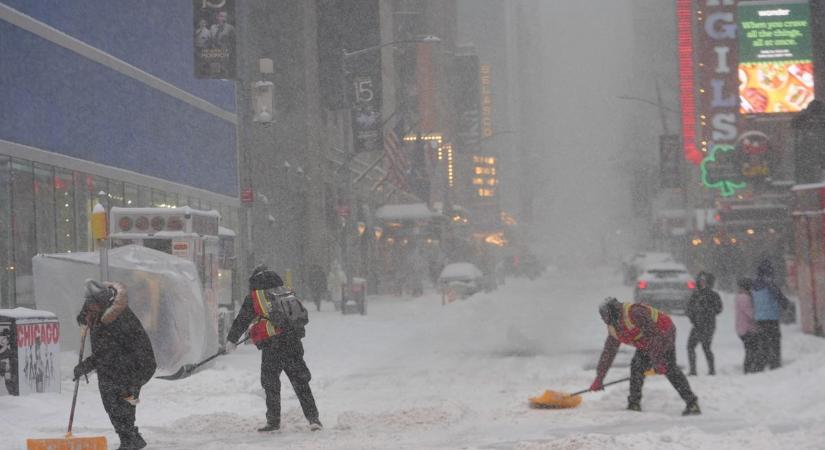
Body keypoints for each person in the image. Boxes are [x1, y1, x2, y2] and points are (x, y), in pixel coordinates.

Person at [224, 265, 321, 432]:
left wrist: (232, 339)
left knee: (271, 384)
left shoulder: (256, 297)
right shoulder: (285, 291)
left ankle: (273, 421)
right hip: (293, 343)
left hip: (273, 346)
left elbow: (242, 319)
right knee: (300, 382)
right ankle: (313, 419)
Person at [74, 280, 156, 450]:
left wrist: (85, 366)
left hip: (135, 364)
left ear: (102, 303)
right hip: (115, 364)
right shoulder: (96, 306)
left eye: (93, 307)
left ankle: (129, 441)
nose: (90, 309)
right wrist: (83, 319)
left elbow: (108, 354)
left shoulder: (118, 319)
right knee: (110, 401)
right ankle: (131, 438)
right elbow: (84, 314)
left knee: (121, 401)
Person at [590, 297, 700, 415]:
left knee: (669, 368)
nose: (602, 319)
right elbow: (609, 352)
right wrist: (599, 377)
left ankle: (692, 403)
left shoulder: (635, 313)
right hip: (646, 341)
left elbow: (654, 336)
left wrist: (658, 362)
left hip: (664, 334)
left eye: (604, 316)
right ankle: (634, 404)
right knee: (636, 367)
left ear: (611, 313)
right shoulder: (613, 327)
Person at [751, 259, 790, 370]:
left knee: (763, 342)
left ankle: (761, 364)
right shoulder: (770, 284)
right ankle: (775, 364)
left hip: (759, 319)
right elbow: (781, 299)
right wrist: (785, 304)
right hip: (771, 318)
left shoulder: (754, 285)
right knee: (774, 341)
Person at [686, 271, 723, 376]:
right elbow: (719, 309)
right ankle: (708, 370)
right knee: (703, 347)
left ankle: (700, 370)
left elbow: (690, 309)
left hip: (703, 324)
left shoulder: (701, 294)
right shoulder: (710, 295)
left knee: (697, 346)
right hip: (704, 324)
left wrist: (698, 314)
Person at [735, 278, 759, 373]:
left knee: (749, 349)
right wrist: (757, 318)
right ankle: (748, 369)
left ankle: (749, 368)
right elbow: (750, 313)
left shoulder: (739, 296)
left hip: (742, 328)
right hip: (747, 328)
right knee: (751, 349)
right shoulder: (744, 298)